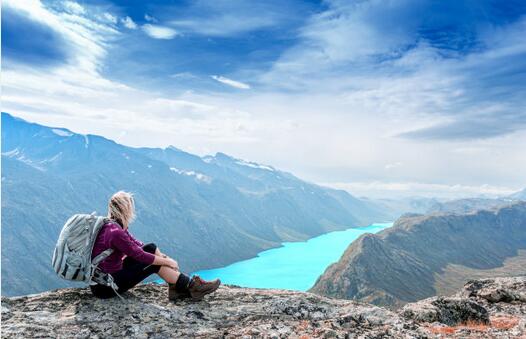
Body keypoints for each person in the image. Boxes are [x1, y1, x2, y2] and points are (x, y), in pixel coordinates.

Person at [90, 191, 220, 300]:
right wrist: (168, 261)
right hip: (105, 287)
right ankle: (191, 286)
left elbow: (139, 246)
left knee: (151, 248)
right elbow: (138, 255)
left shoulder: (112, 225)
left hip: (105, 280)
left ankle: (177, 286)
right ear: (125, 209)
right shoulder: (115, 232)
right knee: (153, 263)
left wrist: (163, 258)